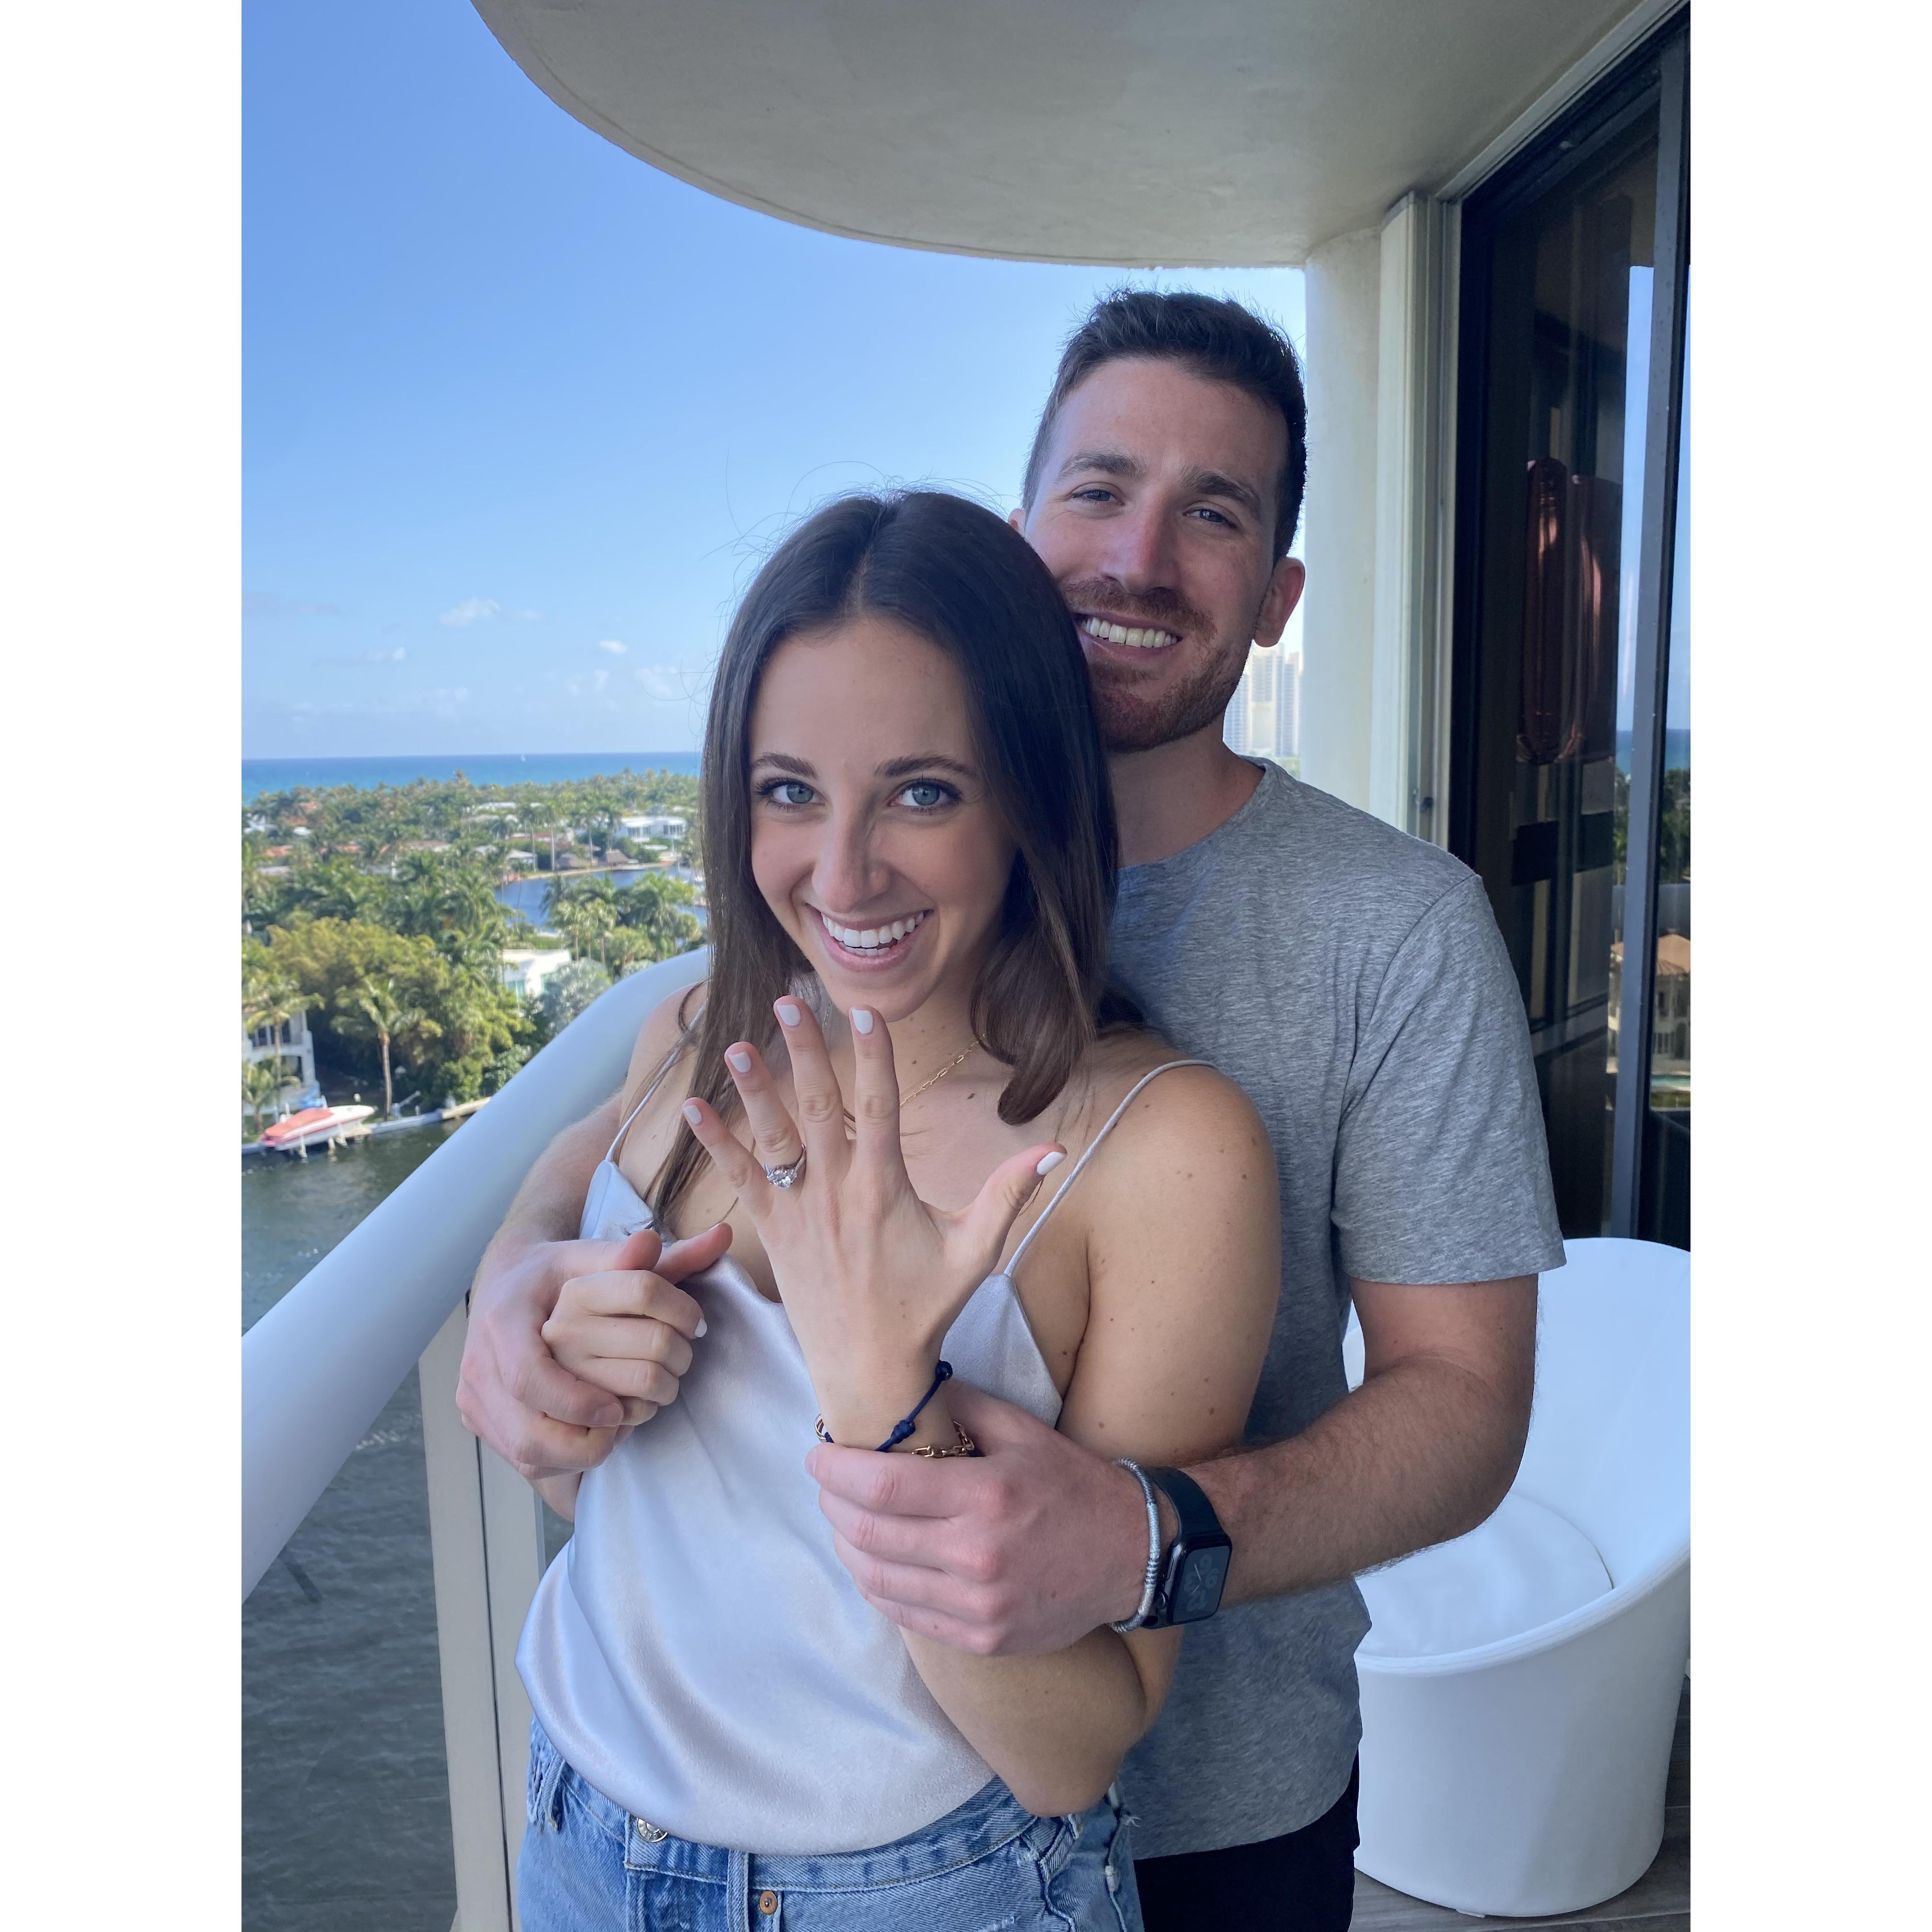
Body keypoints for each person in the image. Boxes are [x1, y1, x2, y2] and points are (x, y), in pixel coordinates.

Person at [462, 292, 1564, 1931]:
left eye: (1214, 514)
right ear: (1019, 528)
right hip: (642, 1805)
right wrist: (514, 1283)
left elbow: (1464, 1406)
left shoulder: (1386, 934)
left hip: (1194, 1794)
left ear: (1278, 597)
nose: (1138, 558)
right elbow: (625, 1142)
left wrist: (1138, 1539)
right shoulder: (832, 925)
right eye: (1098, 489)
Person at [509, 487, 1283, 1931]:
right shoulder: (698, 1032)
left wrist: (885, 1399)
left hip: (921, 1891)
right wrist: (523, 1299)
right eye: (789, 790)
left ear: (1031, 794)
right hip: (578, 1832)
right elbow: (605, 1498)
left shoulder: (1163, 1155)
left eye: (923, 791)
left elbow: (1076, 1745)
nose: (844, 872)